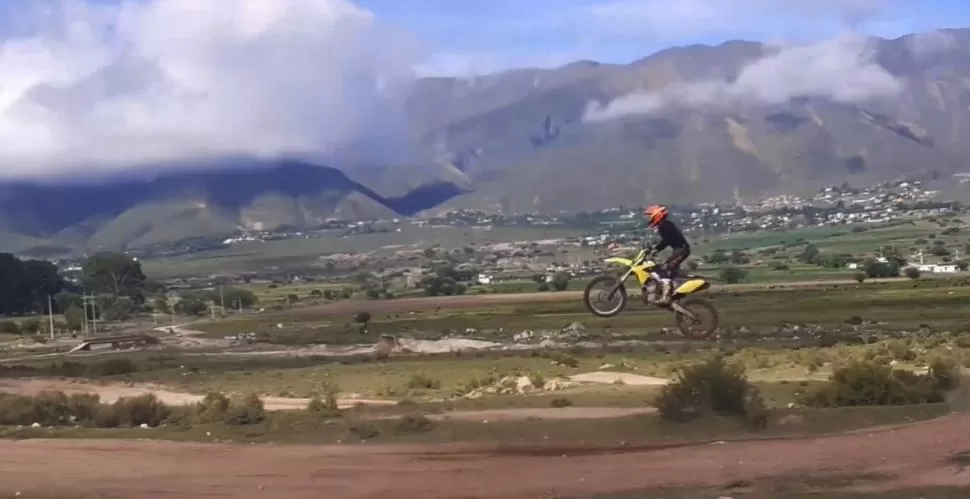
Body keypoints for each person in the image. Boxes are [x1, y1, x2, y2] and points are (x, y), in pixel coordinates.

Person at [643, 204, 691, 304]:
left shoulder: (664, 226)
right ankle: (672, 292)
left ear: (657, 215)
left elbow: (666, 240)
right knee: (669, 270)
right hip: (680, 249)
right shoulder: (666, 224)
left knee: (666, 269)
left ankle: (666, 297)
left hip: (681, 250)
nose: (650, 218)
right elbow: (667, 240)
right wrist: (655, 249)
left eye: (651, 215)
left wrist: (655, 250)